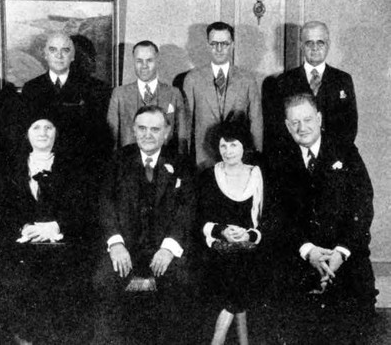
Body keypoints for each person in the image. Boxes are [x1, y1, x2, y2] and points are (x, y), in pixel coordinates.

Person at [268, 93, 377, 344]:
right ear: (286, 125)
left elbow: (362, 205)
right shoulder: (278, 159)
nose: (302, 127)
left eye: (307, 119)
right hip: (302, 256)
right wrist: (309, 252)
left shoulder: (345, 151)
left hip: (346, 257)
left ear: (319, 119)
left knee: (355, 321)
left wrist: (340, 251)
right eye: (294, 122)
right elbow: (277, 215)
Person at [94, 105, 194, 344]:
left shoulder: (181, 163)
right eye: (141, 128)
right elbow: (105, 204)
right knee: (103, 280)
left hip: (163, 250)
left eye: (154, 129)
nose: (147, 134)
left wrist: (169, 249)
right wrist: (116, 245)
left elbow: (186, 210)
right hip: (125, 249)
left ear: (167, 132)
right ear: (133, 129)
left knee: (180, 282)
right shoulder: (117, 160)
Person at [0, 111, 90, 344]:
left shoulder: (74, 165)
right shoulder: (12, 166)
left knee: (64, 283)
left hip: (64, 244)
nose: (42, 133)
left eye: (48, 127)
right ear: (26, 133)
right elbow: (3, 208)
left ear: (57, 133)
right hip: (22, 245)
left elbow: (83, 209)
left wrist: (55, 226)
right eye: (36, 127)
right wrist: (24, 226)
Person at [196, 116, 263, 344]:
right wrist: (222, 231)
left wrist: (249, 235)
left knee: (241, 265)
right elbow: (200, 219)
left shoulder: (258, 175)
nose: (228, 151)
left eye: (233, 144)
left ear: (244, 146)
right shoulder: (208, 176)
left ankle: (218, 339)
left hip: (251, 248)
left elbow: (266, 220)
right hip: (216, 248)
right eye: (223, 145)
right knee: (235, 268)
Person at [21, 31, 112, 170]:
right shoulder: (31, 88)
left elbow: (101, 137)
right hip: (43, 167)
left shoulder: (95, 88)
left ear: (73, 56)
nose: (59, 55)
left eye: (65, 50)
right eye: (53, 50)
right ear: (45, 55)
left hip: (82, 169)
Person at [183, 21, 263, 170]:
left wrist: (255, 158)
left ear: (232, 44)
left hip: (239, 160)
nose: (219, 49)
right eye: (214, 44)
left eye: (224, 44)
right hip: (204, 159)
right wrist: (184, 160)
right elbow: (186, 125)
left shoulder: (247, 79)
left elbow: (256, 121)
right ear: (207, 45)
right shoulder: (192, 79)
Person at [275, 21, 358, 147]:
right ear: (301, 45)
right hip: (297, 156)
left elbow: (350, 125)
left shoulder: (343, 79)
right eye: (309, 43)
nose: (315, 48)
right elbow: (280, 126)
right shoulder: (284, 81)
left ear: (328, 45)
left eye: (320, 42)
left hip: (333, 154)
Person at [107, 40, 187, 153]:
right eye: (139, 61)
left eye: (149, 60)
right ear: (133, 62)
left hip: (165, 163)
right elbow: (112, 138)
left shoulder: (174, 94)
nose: (144, 66)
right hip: (129, 164)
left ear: (158, 61)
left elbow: (182, 138)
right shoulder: (119, 94)